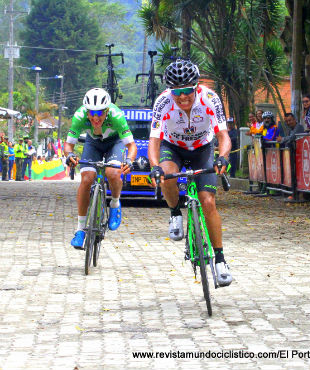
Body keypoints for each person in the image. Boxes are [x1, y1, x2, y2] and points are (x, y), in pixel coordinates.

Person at [147, 58, 232, 287]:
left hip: (202, 148)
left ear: (196, 87)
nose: (182, 97)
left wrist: (223, 157)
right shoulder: (163, 102)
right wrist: (155, 166)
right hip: (172, 147)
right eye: (177, 92)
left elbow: (223, 136)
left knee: (208, 201)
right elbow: (154, 140)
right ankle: (175, 212)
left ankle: (220, 260)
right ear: (169, 91)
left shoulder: (210, 99)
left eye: (187, 91)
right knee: (165, 175)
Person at [64, 87, 137, 249]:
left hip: (115, 143)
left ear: (107, 111)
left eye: (100, 113)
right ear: (86, 111)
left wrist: (130, 160)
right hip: (92, 143)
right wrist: (69, 155)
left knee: (112, 172)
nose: (95, 118)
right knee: (86, 179)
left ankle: (115, 204)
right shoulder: (79, 116)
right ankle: (80, 229)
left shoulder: (117, 116)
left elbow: (131, 145)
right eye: (92, 113)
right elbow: (68, 144)